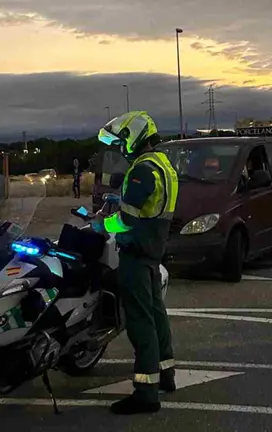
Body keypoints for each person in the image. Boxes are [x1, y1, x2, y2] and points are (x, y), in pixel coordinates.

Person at [91, 111, 179, 415]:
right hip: (153, 251)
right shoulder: (163, 164)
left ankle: (146, 393)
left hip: (137, 253)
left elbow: (128, 220)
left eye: (121, 142)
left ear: (134, 136)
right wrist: (121, 202)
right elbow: (148, 208)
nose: (120, 148)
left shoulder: (142, 169)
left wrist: (103, 225)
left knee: (140, 322)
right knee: (156, 315)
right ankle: (166, 374)